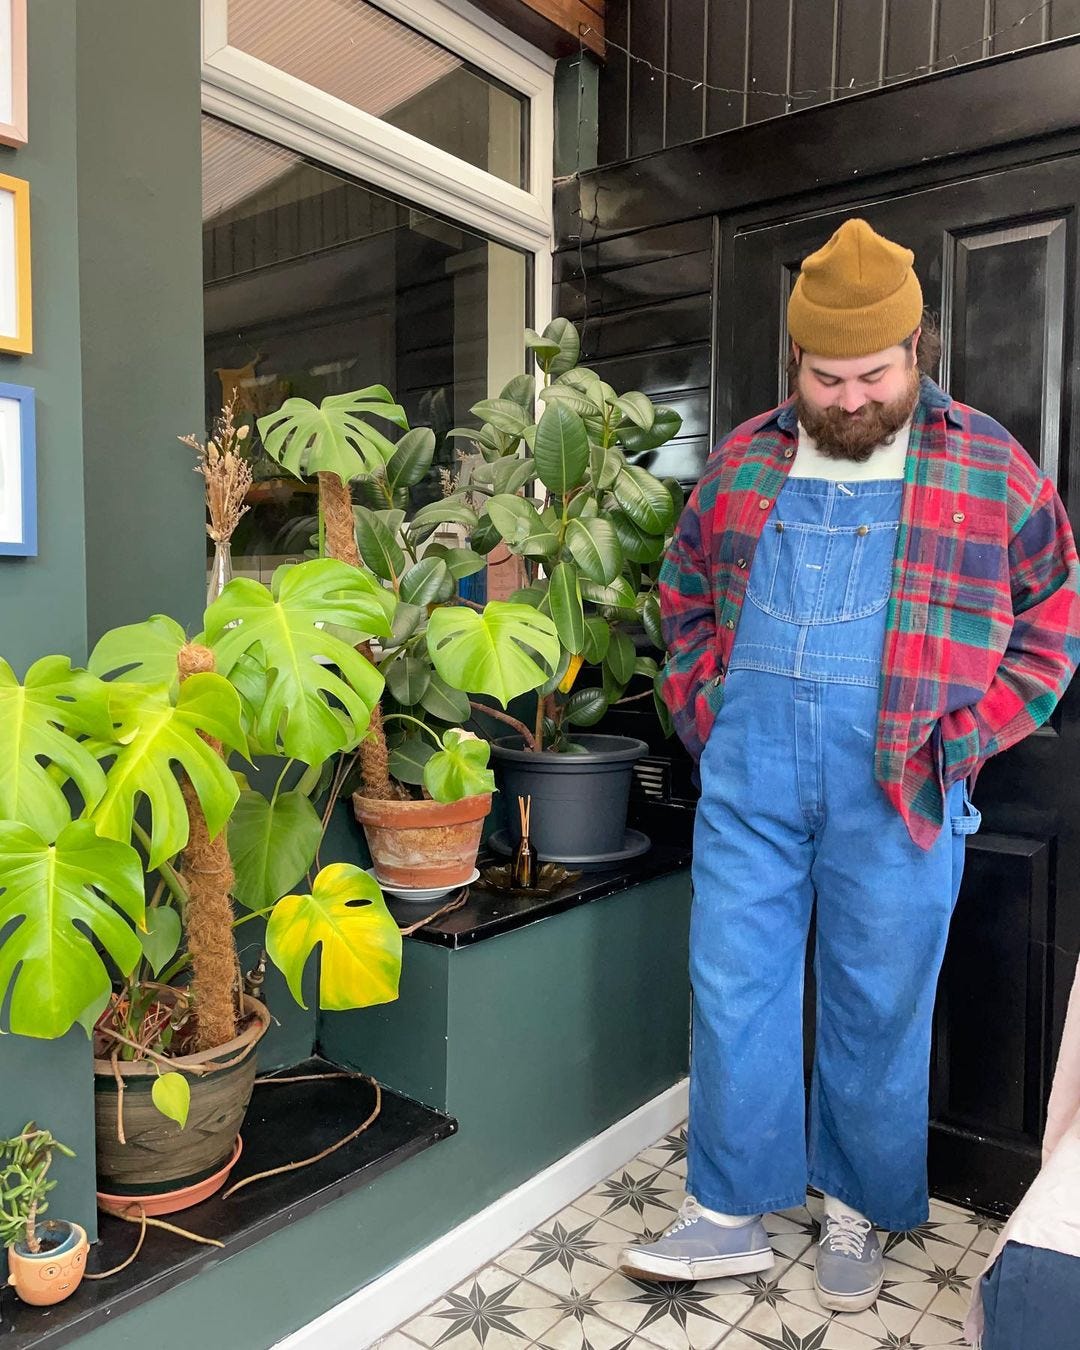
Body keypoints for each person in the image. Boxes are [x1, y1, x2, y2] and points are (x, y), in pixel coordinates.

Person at [619, 218, 1080, 1313]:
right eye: (828, 378)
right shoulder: (740, 463)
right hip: (752, 778)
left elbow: (1055, 619)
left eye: (873, 373)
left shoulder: (984, 464)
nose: (850, 398)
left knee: (879, 1003)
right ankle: (727, 1213)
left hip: (905, 786)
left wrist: (967, 740)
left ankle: (859, 1212)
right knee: (734, 989)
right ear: (797, 362)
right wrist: (709, 712)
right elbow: (680, 600)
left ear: (919, 346)